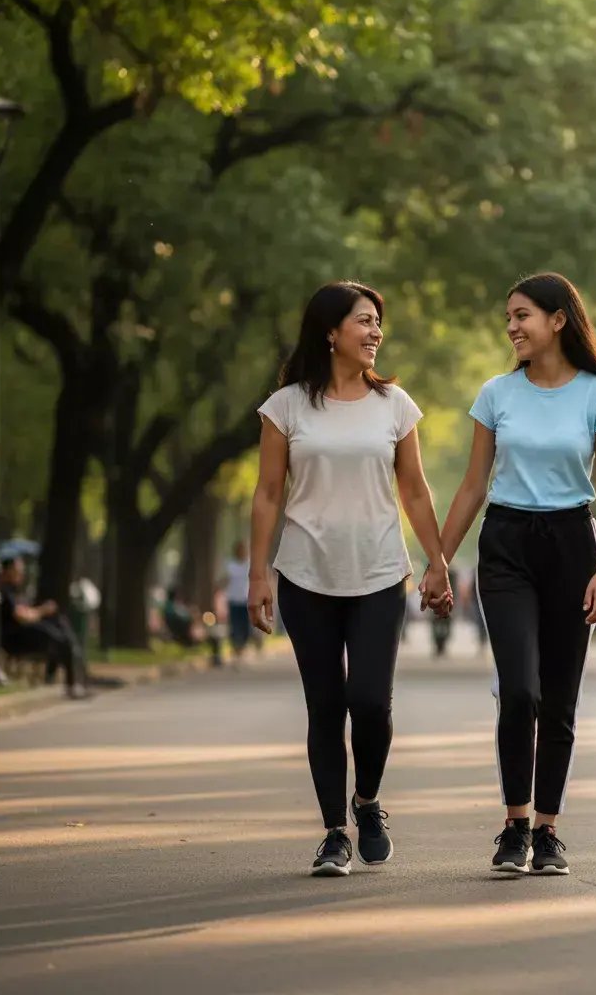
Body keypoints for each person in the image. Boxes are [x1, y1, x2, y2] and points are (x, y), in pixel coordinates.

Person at [425, 272, 596, 876]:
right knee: (520, 690)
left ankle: (548, 831)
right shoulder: (496, 394)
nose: (512, 327)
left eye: (522, 316)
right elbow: (472, 487)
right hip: (507, 544)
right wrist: (438, 561)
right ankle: (514, 826)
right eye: (509, 318)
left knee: (560, 700)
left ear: (558, 320)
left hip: (573, 543)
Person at [249, 280, 452, 878]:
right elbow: (266, 492)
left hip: (379, 573)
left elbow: (414, 489)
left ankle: (367, 801)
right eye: (364, 321)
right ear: (330, 332)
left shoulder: (395, 405)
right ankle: (334, 832)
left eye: (377, 323)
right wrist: (259, 574)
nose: (375, 333)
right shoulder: (285, 406)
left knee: (369, 701)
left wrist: (438, 560)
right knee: (324, 705)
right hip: (307, 575)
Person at [0, 557, 90, 699]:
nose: (21, 574)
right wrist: (42, 611)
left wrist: (42, 611)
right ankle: (67, 682)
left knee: (60, 628)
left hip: (23, 633)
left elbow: (25, 611)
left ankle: (70, 678)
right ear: (7, 571)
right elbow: (20, 615)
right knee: (58, 639)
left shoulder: (14, 591)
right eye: (18, 571)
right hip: (15, 638)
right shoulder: (3, 591)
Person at [223, 540, 253, 658]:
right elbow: (225, 579)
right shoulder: (230, 565)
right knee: (234, 625)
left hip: (246, 600)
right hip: (233, 600)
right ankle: (236, 647)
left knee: (246, 626)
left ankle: (242, 646)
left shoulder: (250, 564)